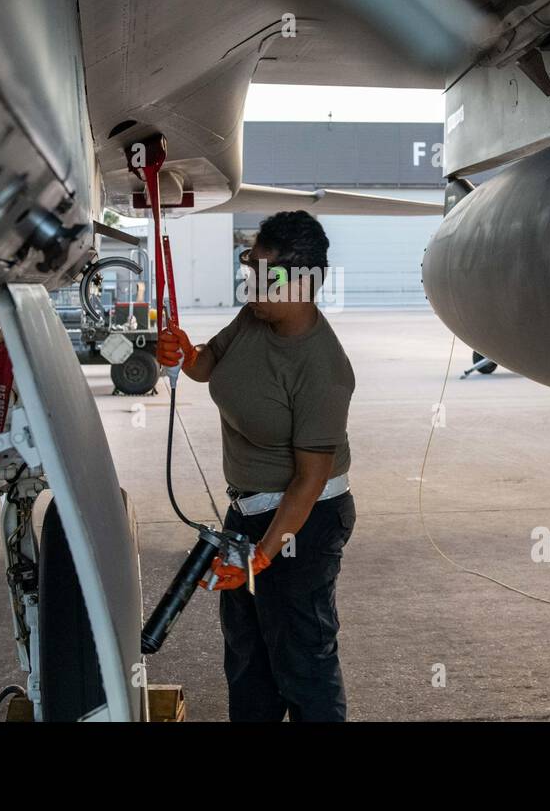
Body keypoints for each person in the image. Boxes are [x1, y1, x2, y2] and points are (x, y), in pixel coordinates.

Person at [158, 210, 356, 722]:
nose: (252, 285)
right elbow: (209, 367)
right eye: (251, 271)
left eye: (264, 276)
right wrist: (184, 352)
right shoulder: (254, 318)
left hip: (303, 523)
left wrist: (263, 555)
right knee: (248, 658)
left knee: (302, 662)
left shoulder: (323, 368)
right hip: (247, 514)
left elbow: (310, 479)